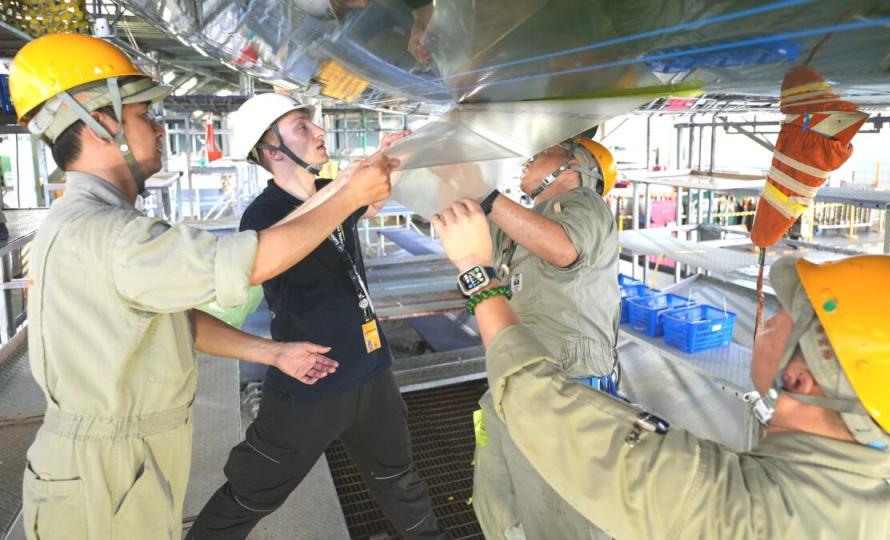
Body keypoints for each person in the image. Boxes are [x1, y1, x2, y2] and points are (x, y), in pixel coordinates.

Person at [9, 33, 395, 539]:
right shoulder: (110, 234)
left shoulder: (90, 222)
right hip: (104, 478)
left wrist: (272, 354)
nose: (161, 128)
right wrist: (346, 198)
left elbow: (176, 322)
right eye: (145, 114)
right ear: (100, 122)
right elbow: (248, 263)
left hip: (116, 467)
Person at [432, 198, 890, 539]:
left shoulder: (722, 505)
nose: (765, 322)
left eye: (785, 320)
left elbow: (535, 397)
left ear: (802, 379)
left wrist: (478, 274)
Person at [187, 93, 448, 539]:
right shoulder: (263, 217)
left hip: (371, 368)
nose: (319, 132)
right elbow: (252, 270)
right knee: (252, 492)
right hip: (311, 378)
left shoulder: (330, 193)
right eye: (301, 127)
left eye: (313, 123)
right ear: (272, 151)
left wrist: (386, 158)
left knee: (400, 482)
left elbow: (365, 201)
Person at [471, 136, 619, 539]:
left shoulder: (585, 204)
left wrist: (488, 200)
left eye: (545, 151)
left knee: (560, 518)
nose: (531, 157)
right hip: (519, 377)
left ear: (572, 164)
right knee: (503, 505)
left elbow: (563, 248)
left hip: (567, 384)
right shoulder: (520, 222)